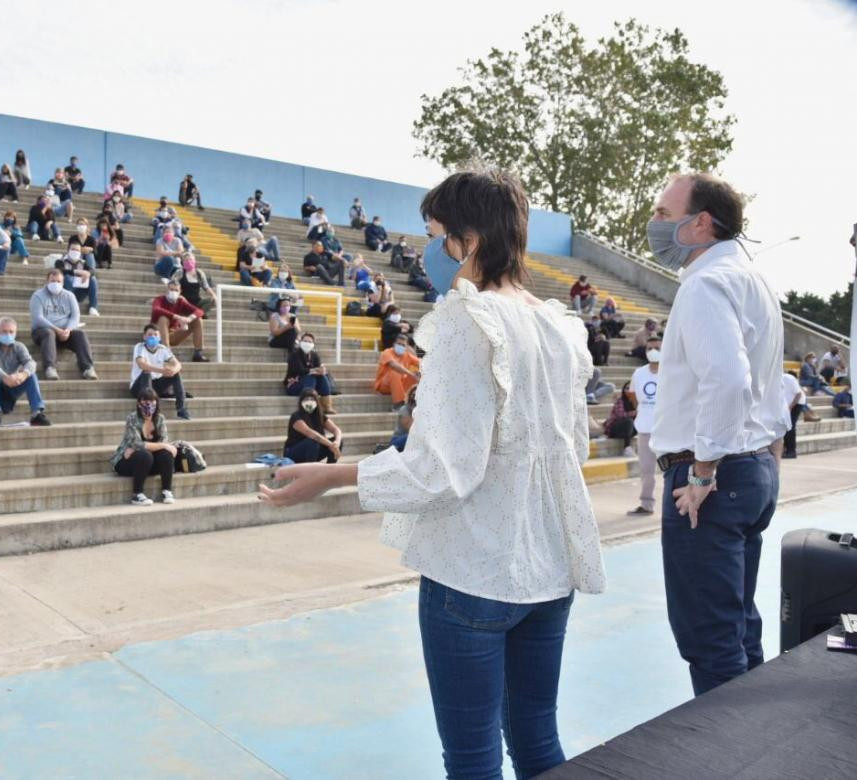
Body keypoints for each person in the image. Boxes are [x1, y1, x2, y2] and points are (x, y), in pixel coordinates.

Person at [258, 168, 605, 780]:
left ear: (466, 240)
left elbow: (442, 470)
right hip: (549, 568)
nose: (428, 249)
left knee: (472, 761)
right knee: (537, 741)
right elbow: (572, 445)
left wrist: (332, 476)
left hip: (474, 570)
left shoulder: (469, 319)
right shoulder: (562, 326)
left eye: (433, 232)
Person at [647, 173, 784, 697]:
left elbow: (728, 380)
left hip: (710, 476)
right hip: (750, 468)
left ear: (701, 223)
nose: (654, 224)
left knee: (711, 641)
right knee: (738, 627)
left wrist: (703, 471)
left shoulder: (706, 283)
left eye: (663, 213)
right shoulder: (752, 280)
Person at [0, 317, 51, 428]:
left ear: (15, 333)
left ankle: (36, 413)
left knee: (31, 375)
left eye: (11, 332)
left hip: (13, 384)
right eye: (4, 331)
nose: (8, 334)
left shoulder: (19, 346)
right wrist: (4, 377)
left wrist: (23, 374)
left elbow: (31, 363)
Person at [111, 388, 176, 506]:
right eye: (146, 403)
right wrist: (161, 445)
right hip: (126, 462)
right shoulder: (132, 418)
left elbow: (164, 443)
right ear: (139, 404)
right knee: (145, 454)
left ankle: (167, 491)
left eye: (152, 403)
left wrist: (161, 446)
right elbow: (137, 443)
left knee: (165, 454)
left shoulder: (160, 419)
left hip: (147, 463)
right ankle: (137, 494)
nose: (149, 406)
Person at [31, 269, 98, 380]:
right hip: (42, 332)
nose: (55, 284)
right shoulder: (37, 296)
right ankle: (50, 368)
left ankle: (88, 368)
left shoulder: (69, 296)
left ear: (63, 283)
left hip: (65, 332)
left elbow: (75, 316)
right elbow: (38, 318)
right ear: (47, 281)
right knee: (49, 333)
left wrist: (68, 330)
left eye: (58, 281)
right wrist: (57, 330)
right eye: (53, 281)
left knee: (80, 334)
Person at [626, 336, 663, 514]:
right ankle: (647, 504)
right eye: (650, 348)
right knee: (646, 471)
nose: (653, 352)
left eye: (657, 348)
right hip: (645, 429)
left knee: (674, 471)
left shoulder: (671, 372)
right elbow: (632, 395)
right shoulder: (639, 373)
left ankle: (679, 507)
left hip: (667, 429)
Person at [131, 323, 191, 420]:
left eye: (155, 335)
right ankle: (149, 411)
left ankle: (181, 409)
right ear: (144, 337)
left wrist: (172, 371)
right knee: (147, 372)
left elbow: (178, 364)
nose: (153, 337)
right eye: (150, 335)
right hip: (139, 386)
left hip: (155, 385)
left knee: (176, 374)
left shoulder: (162, 348)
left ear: (159, 337)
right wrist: (161, 370)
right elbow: (141, 364)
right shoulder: (139, 347)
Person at [151, 280, 208, 362]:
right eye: (171, 289)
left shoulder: (180, 301)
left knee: (197, 320)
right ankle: (166, 353)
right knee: (163, 318)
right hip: (158, 336)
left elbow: (200, 311)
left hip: (174, 334)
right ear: (167, 290)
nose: (173, 292)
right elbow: (156, 309)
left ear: (180, 291)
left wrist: (189, 318)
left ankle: (198, 353)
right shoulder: (159, 299)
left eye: (176, 290)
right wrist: (176, 316)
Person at [282, 389, 343, 464]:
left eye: (312, 399)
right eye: (306, 399)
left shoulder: (319, 415)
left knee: (336, 441)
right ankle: (310, 470)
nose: (309, 401)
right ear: (301, 401)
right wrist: (331, 445)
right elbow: (311, 434)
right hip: (293, 452)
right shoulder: (296, 416)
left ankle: (330, 468)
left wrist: (337, 442)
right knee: (312, 442)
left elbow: (336, 429)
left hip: (313, 450)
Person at [284, 332, 335, 410]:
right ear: (300, 342)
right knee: (310, 377)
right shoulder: (294, 355)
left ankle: (327, 406)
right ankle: (308, 406)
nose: (307, 343)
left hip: (310, 386)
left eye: (310, 342)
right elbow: (300, 370)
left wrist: (322, 370)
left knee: (322, 377)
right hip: (294, 385)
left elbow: (319, 367)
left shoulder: (314, 355)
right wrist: (314, 370)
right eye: (305, 341)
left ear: (313, 344)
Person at [54, 238, 101, 316]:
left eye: (77, 250)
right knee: (68, 278)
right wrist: (77, 272)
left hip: (79, 293)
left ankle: (93, 307)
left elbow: (93, 271)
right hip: (64, 292)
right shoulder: (60, 261)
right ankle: (69, 308)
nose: (75, 252)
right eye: (73, 249)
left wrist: (88, 273)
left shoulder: (83, 263)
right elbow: (60, 271)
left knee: (93, 279)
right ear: (68, 250)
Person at [373, 333, 421, 407]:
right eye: (399, 344)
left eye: (403, 345)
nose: (400, 346)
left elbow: (421, 363)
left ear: (406, 347)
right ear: (394, 344)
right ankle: (399, 403)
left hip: (401, 385)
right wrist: (411, 374)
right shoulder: (387, 352)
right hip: (384, 386)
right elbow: (394, 366)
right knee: (395, 372)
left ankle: (416, 400)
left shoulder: (407, 355)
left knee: (418, 374)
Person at [779, 371, 807, 459]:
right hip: (787, 405)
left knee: (790, 427)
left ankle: (792, 451)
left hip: (797, 403)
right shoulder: (775, 380)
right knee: (786, 427)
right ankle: (787, 449)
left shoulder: (788, 378)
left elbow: (798, 394)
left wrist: (790, 407)